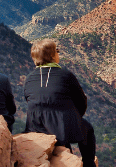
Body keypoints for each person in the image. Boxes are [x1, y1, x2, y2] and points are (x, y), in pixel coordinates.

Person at [24, 39, 97, 167]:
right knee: (88, 129)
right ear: (52, 55)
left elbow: (29, 100)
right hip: (62, 124)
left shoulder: (30, 77)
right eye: (57, 51)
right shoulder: (66, 75)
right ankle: (88, 164)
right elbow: (81, 101)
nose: (58, 54)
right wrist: (75, 116)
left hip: (35, 126)